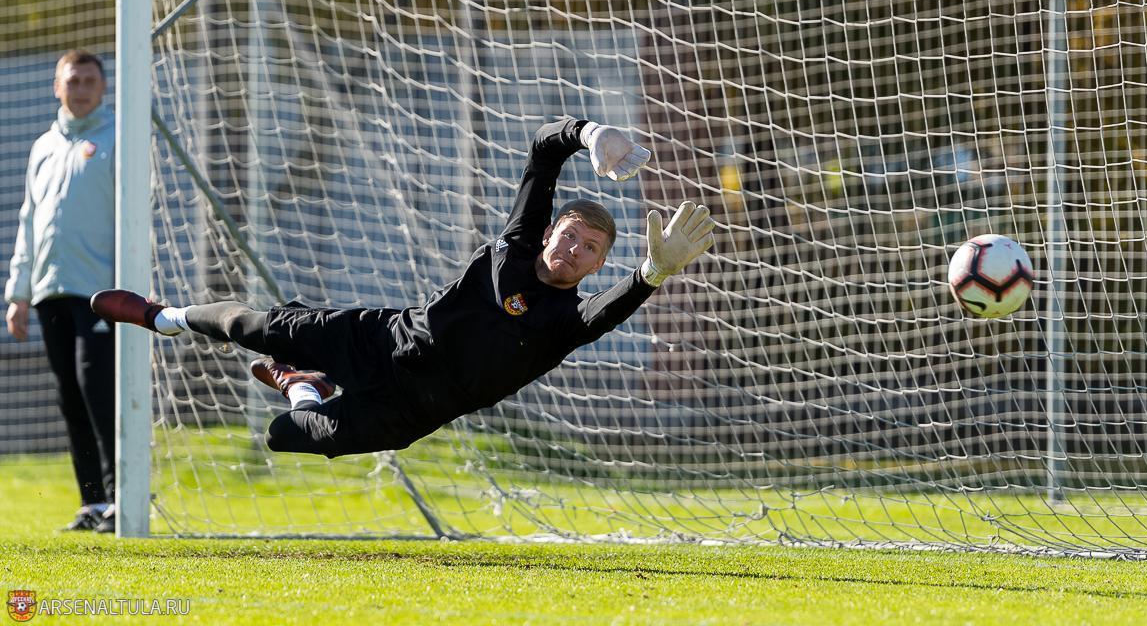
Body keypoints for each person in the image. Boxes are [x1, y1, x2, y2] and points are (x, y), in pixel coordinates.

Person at [91, 118, 715, 459]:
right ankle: (162, 315)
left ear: (597, 267)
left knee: (285, 435)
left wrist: (652, 272)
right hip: (380, 338)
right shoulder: (520, 242)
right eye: (571, 235)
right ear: (551, 230)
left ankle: (302, 386)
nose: (575, 250)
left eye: (591, 250)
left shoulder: (565, 321)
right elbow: (542, 153)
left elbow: (609, 312)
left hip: (410, 410)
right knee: (253, 325)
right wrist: (591, 133)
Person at [5, 49, 119, 533]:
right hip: (49, 291)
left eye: (89, 81)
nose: (81, 89)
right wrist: (18, 293)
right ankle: (91, 504)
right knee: (69, 396)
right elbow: (29, 221)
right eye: (73, 81)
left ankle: (121, 499)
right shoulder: (44, 146)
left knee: (98, 389)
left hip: (101, 293)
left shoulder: (118, 138)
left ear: (103, 87)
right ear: (57, 87)